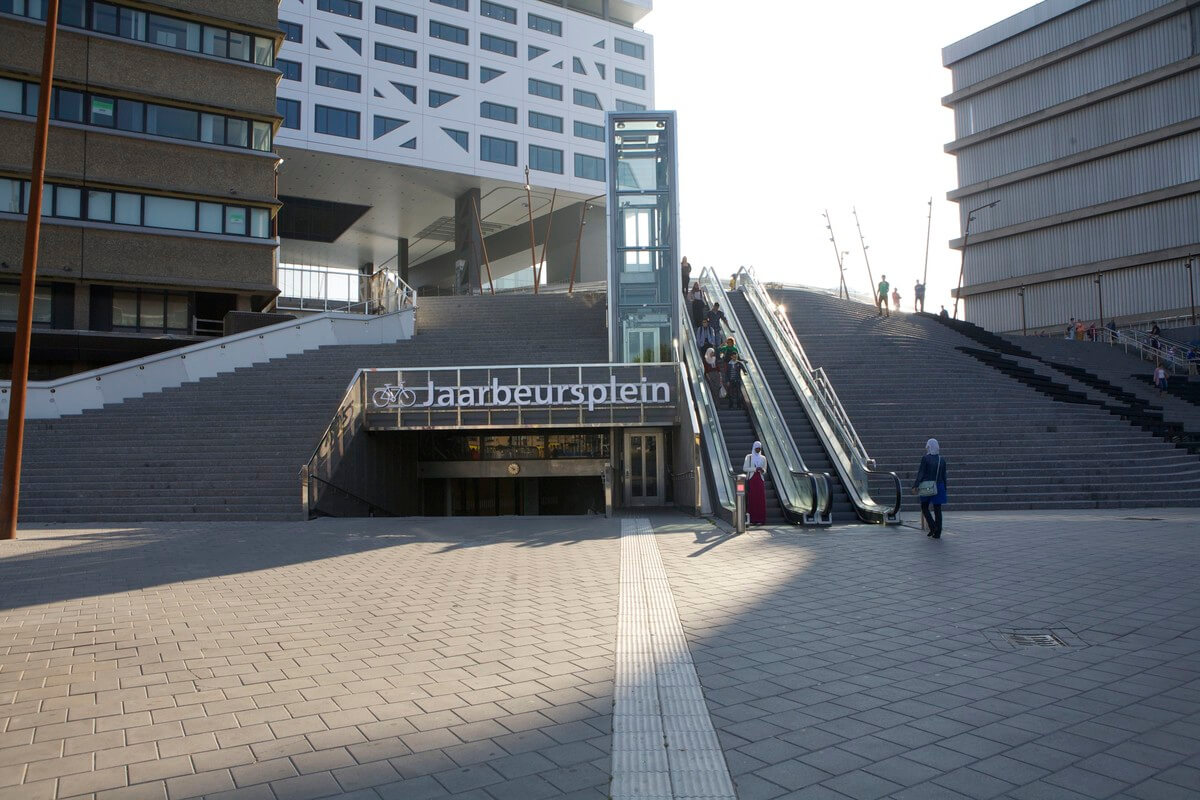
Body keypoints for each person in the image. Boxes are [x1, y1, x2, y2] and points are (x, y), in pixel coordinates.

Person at [912, 438, 947, 538]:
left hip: (927, 486)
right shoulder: (942, 459)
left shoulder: (925, 458)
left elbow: (921, 473)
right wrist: (945, 487)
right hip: (939, 486)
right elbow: (944, 475)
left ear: (929, 446)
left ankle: (932, 526)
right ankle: (938, 532)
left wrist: (915, 485)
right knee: (937, 509)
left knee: (924, 507)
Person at [743, 441, 768, 525]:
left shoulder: (763, 458)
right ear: (754, 448)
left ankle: (760, 519)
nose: (758, 449)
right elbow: (745, 468)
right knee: (752, 498)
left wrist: (762, 470)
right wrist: (755, 469)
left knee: (760, 499)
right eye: (757, 448)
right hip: (752, 479)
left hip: (760, 479)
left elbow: (765, 470)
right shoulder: (749, 457)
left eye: (759, 448)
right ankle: (752, 519)